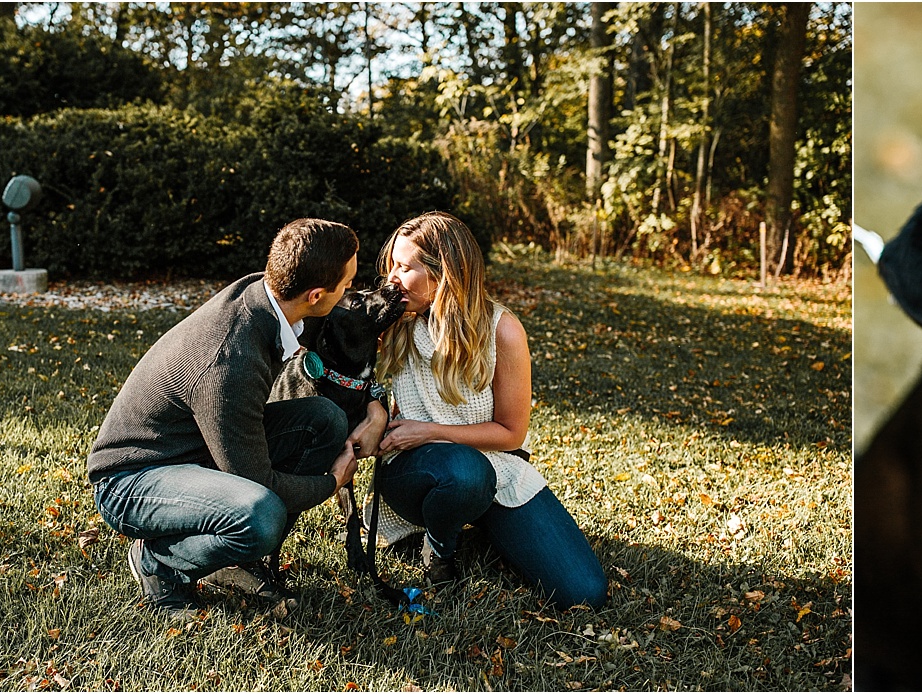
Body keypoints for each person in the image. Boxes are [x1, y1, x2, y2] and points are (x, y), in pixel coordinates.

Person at [86, 218, 387, 615]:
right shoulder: (232, 361)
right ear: (316, 295)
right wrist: (332, 482)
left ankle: (233, 556)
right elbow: (258, 481)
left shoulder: (263, 294)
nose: (350, 290)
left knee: (323, 421)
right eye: (346, 284)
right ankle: (161, 560)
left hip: (193, 448)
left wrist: (375, 403)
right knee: (260, 514)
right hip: (133, 479)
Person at [372, 211, 607, 610]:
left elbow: (512, 433)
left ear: (444, 274)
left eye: (405, 267)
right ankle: (440, 551)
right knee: (465, 473)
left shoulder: (502, 330)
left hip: (496, 468)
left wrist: (429, 430)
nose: (392, 277)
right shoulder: (394, 318)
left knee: (583, 591)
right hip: (415, 471)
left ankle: (478, 523)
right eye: (392, 264)